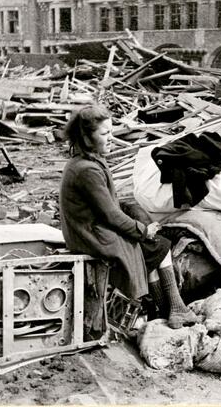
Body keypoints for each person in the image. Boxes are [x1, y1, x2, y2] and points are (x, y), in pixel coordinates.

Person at [59, 104, 199, 329]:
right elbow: (110, 216)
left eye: (111, 132)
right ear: (86, 137)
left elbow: (105, 205)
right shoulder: (87, 170)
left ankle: (164, 310)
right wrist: (143, 230)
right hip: (91, 235)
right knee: (157, 245)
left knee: (149, 246)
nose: (111, 138)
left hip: (88, 228)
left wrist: (134, 214)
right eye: (105, 133)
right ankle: (175, 307)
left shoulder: (87, 161)